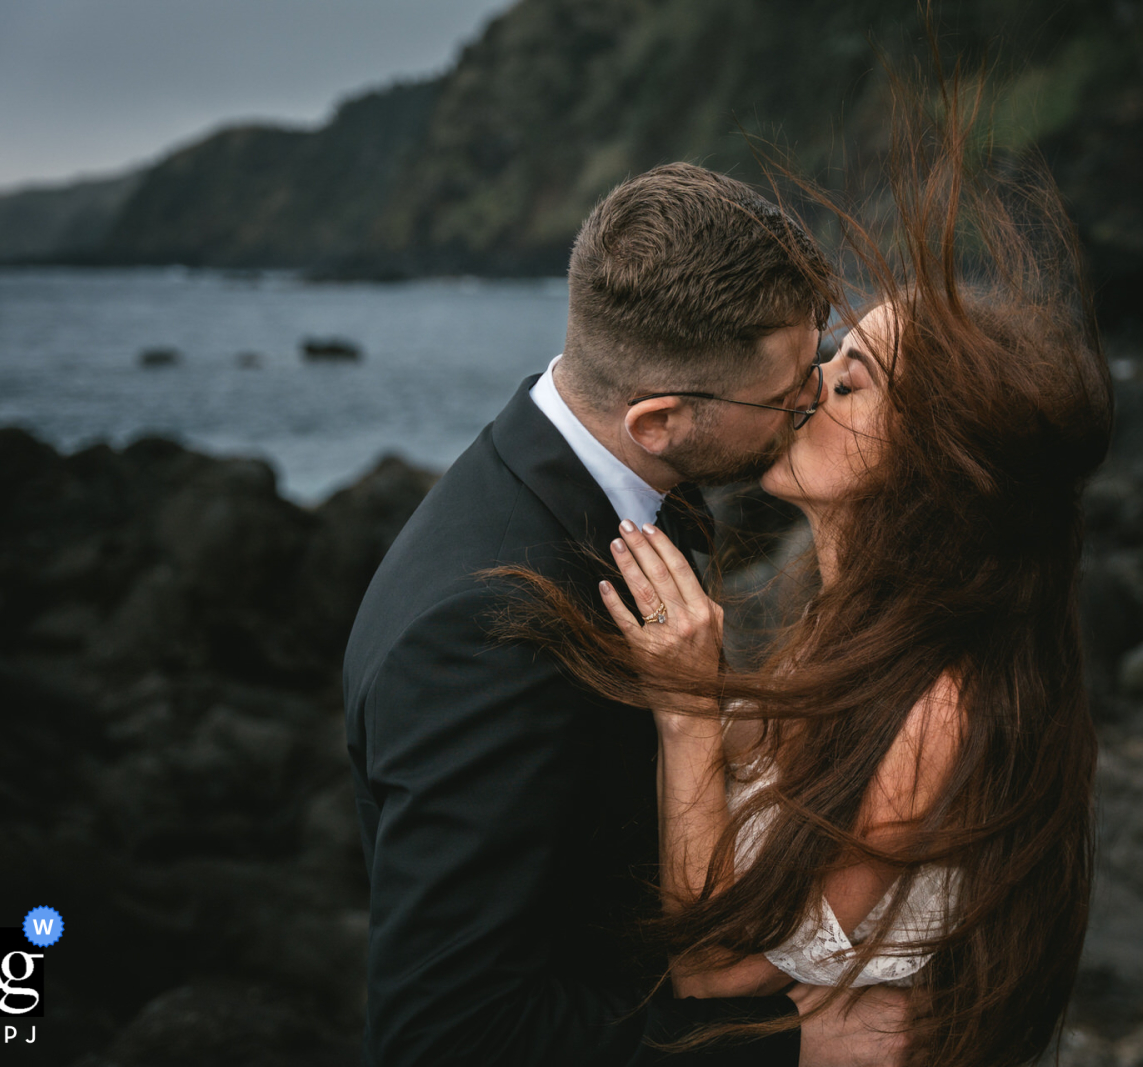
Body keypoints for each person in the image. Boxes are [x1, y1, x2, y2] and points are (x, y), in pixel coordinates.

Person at [508, 88, 1114, 1067]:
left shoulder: (933, 715)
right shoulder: (838, 627)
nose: (811, 385)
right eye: (834, 354)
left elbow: (714, 967)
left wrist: (687, 708)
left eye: (855, 379)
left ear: (929, 465)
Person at [343, 162, 911, 1067]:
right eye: (789, 392)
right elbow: (445, 1036)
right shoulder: (483, 628)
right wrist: (788, 1052)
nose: (811, 404)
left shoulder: (634, 488)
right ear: (659, 420)